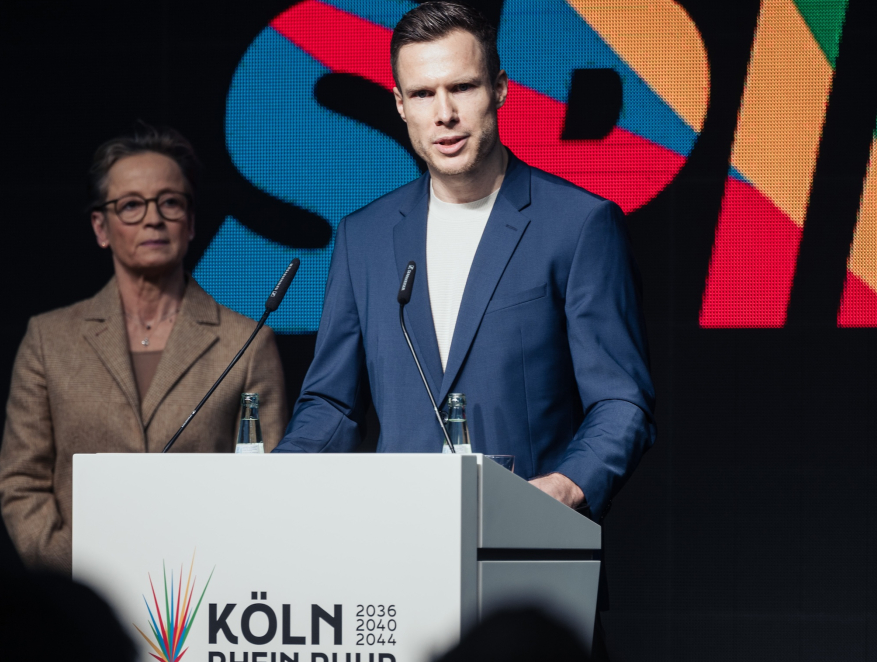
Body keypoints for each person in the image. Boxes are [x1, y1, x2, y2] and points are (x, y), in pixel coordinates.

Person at [275, 2, 654, 519]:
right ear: (400, 105)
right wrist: (270, 487)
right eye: (423, 94)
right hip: (394, 552)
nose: (444, 114)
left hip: (527, 548)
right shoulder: (362, 238)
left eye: (463, 88)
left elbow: (620, 401)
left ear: (499, 88)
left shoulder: (579, 225)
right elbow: (333, 407)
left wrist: (565, 488)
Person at [0, 126, 288, 572]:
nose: (153, 218)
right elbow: (22, 480)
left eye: (169, 202)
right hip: (85, 603)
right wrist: (72, 572)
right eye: (131, 205)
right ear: (101, 227)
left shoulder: (245, 343)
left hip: (206, 593)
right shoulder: (49, 340)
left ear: (190, 222)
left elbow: (267, 485)